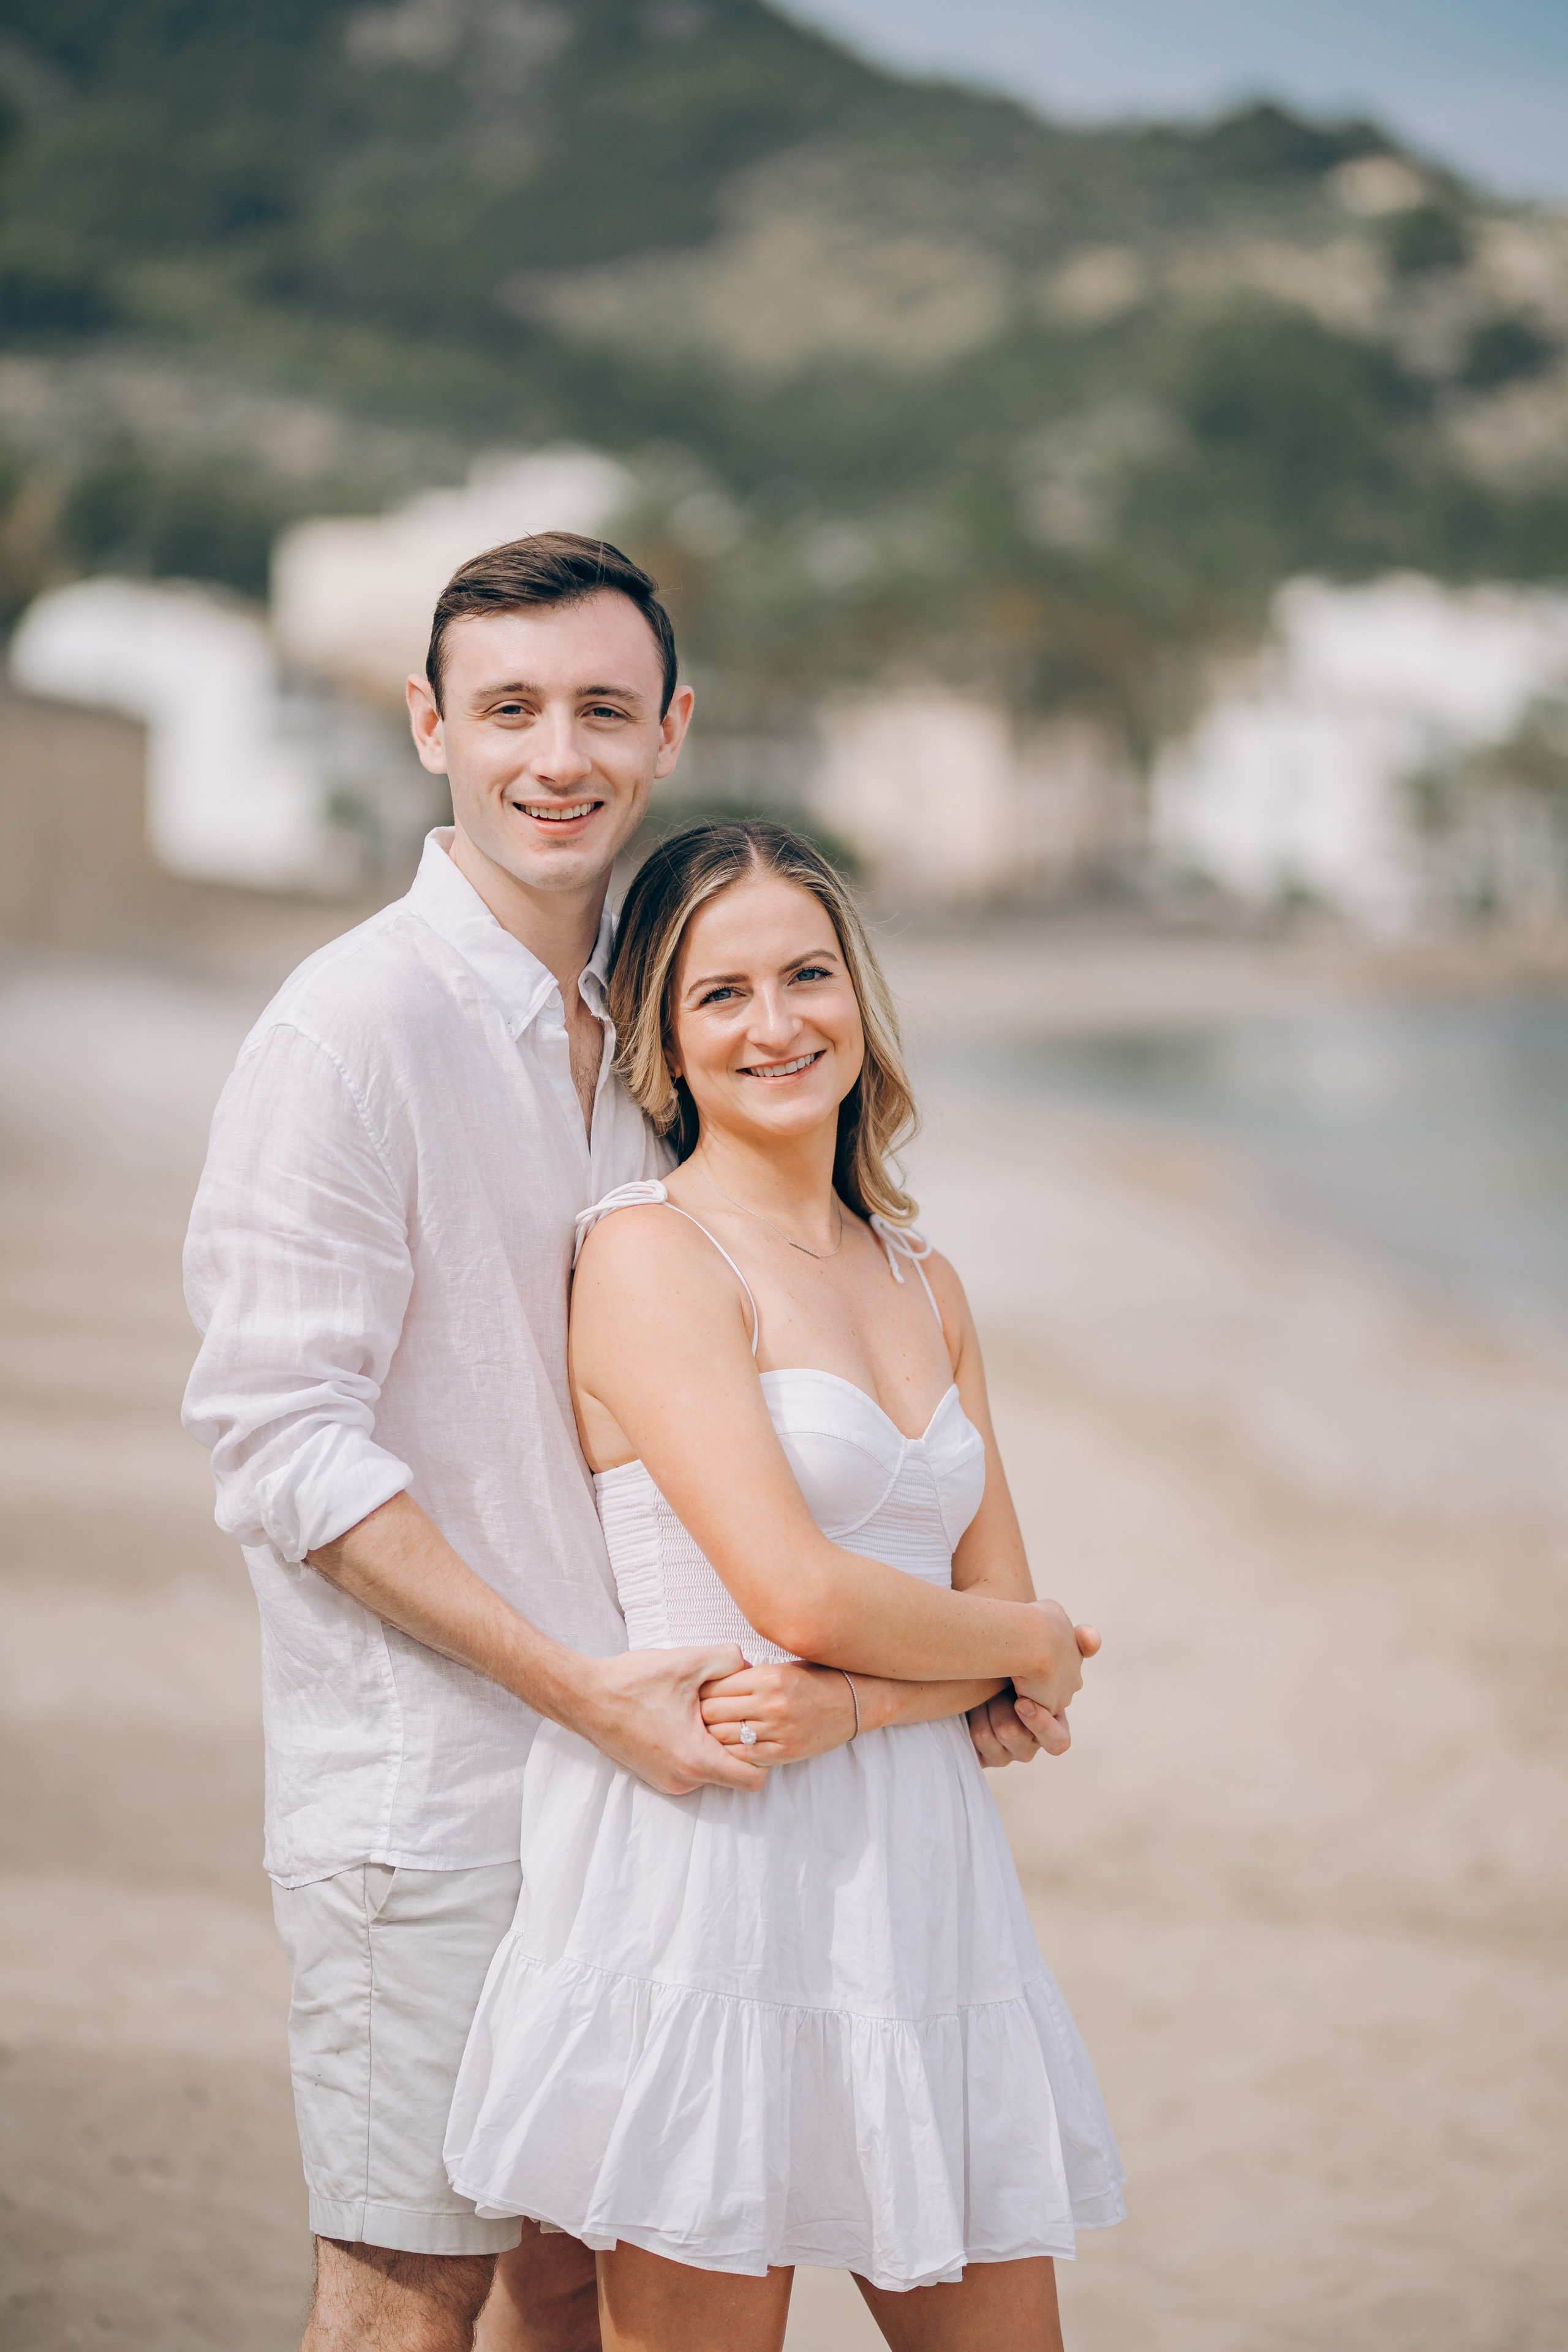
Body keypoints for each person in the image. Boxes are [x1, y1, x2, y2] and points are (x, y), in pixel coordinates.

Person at [181, 534, 1065, 2352]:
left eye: (600, 708)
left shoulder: (634, 1045)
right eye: (507, 709)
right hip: (438, 1784)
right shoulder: (352, 1033)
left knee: (567, 2292)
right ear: (430, 727)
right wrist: (582, 1688)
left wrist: (863, 1690)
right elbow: (281, 1447)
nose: (555, 755)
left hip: (662, 1800)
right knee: (405, 2290)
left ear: (671, 730)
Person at [444, 819, 1125, 2352]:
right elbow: (808, 1592)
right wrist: (1024, 1650)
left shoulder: (919, 1275)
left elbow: (965, 1609)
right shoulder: (646, 1257)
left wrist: (891, 1696)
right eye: (720, 995)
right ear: (664, 1046)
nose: (776, 1025)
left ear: (858, 997)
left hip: (923, 1886)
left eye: (807, 974)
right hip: (709, 1877)